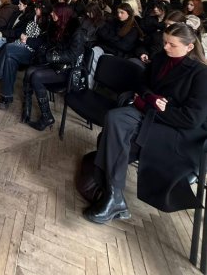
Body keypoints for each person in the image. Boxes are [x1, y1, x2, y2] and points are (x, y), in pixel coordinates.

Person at [84, 22, 207, 224]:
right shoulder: (161, 58)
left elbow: (192, 119)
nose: (165, 47)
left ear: (189, 47)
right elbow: (142, 83)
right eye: (165, 42)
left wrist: (150, 106)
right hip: (151, 115)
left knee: (116, 136)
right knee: (114, 119)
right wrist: (150, 98)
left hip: (175, 130)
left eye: (172, 44)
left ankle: (112, 195)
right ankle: (115, 197)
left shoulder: (201, 74)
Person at [0, 4, 50, 109]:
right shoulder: (34, 18)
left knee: (8, 48)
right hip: (23, 46)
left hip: (34, 53)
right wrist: (23, 37)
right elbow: (23, 32)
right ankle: (6, 96)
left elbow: (42, 43)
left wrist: (27, 40)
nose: (35, 9)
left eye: (38, 7)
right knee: (10, 59)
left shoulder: (47, 23)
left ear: (43, 10)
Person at [24, 4, 83, 131]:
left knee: (36, 77)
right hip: (55, 64)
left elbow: (72, 55)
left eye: (54, 12)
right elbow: (50, 43)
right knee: (29, 71)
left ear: (62, 15)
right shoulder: (57, 26)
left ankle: (47, 117)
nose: (51, 14)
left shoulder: (76, 32)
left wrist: (49, 56)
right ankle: (27, 107)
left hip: (67, 69)